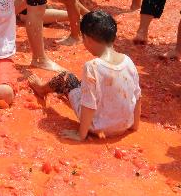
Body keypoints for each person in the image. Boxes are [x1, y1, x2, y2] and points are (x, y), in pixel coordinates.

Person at [29, 11, 141, 141]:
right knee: (88, 84)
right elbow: (137, 96)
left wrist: (81, 135)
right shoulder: (128, 61)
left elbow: (89, 104)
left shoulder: (92, 66)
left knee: (67, 77)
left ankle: (42, 88)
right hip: (125, 124)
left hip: (97, 126)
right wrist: (134, 126)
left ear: (86, 39)